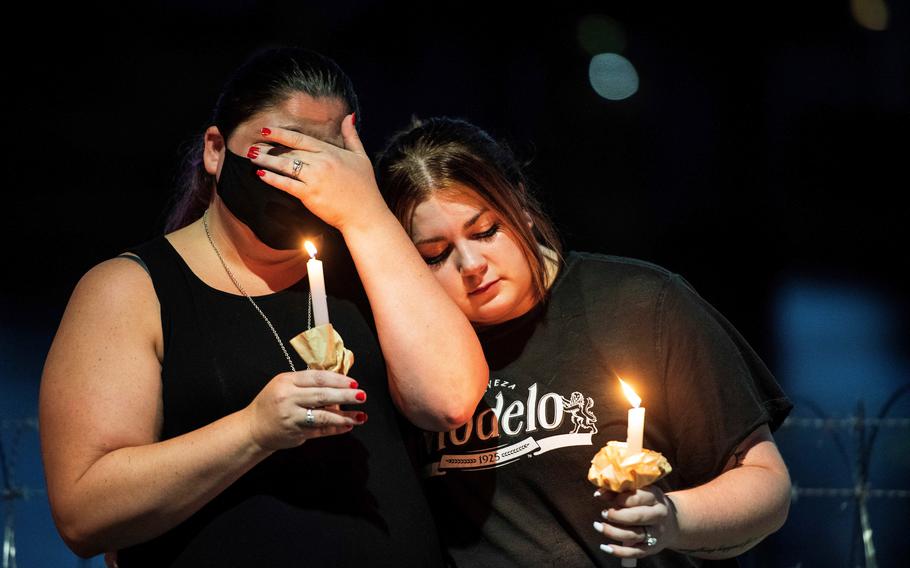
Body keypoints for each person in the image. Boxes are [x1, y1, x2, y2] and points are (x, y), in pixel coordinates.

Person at [39, 49, 488, 567]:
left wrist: (366, 212)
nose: (302, 174)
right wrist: (253, 431)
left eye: (325, 157)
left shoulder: (371, 263)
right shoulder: (130, 289)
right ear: (215, 150)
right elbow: (83, 514)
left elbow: (450, 400)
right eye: (278, 148)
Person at [375, 117, 793, 567]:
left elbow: (765, 484)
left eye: (486, 231)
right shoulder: (406, 353)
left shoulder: (640, 304)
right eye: (435, 255)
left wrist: (671, 519)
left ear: (521, 201)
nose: (471, 263)